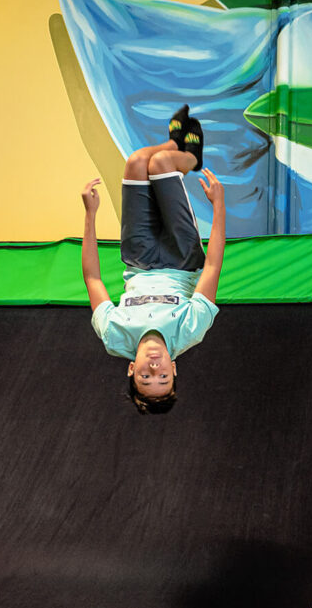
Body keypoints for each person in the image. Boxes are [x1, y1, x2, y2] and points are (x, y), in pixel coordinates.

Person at [80, 106, 225, 414]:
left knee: (135, 162)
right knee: (159, 164)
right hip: (181, 256)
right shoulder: (190, 330)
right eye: (163, 376)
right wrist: (219, 206)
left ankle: (176, 143)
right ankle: (191, 158)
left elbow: (92, 278)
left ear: (132, 369)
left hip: (138, 257)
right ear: (174, 368)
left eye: (147, 376)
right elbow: (212, 267)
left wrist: (90, 215)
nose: (155, 367)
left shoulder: (114, 336)